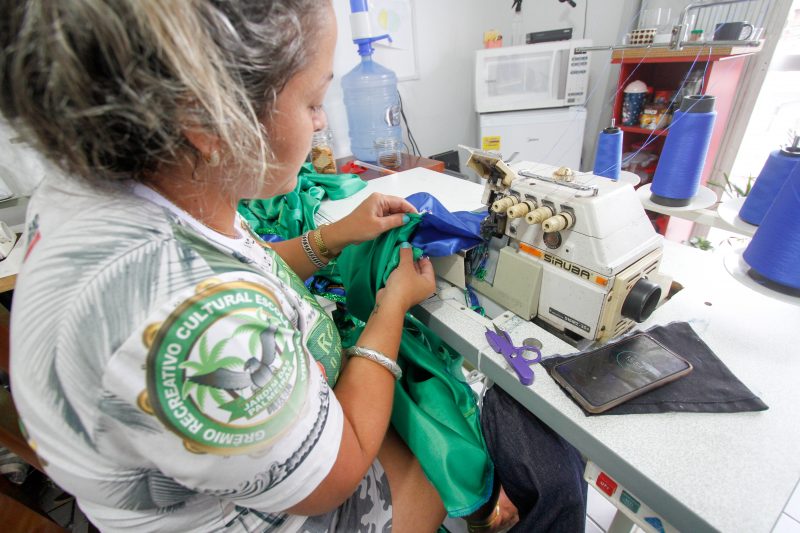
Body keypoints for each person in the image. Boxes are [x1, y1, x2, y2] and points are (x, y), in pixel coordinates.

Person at [2, 1, 585, 531]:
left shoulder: (124, 185)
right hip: (287, 509)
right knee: (465, 453)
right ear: (208, 118)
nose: (323, 123)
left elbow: (243, 262)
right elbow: (341, 472)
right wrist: (390, 309)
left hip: (226, 460)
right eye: (312, 101)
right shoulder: (194, 321)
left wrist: (331, 238)